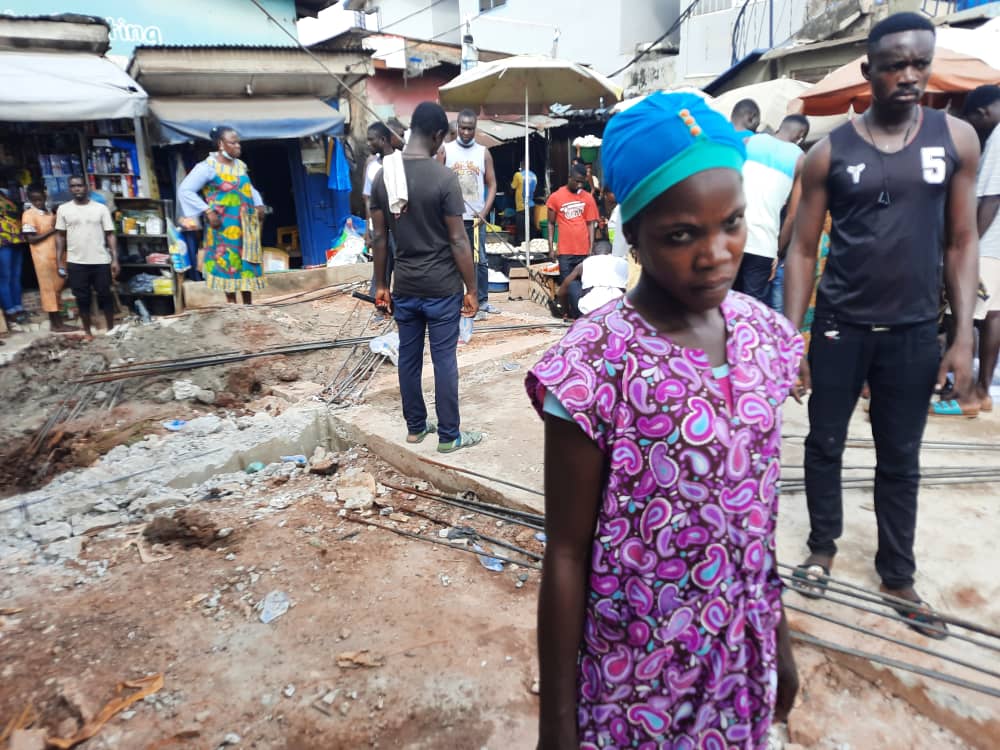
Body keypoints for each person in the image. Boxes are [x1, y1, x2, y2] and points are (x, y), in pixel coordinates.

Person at [529, 92, 801, 749]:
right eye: (682, 235)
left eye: (732, 223)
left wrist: (781, 640)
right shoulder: (594, 365)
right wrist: (557, 725)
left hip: (738, 653)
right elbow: (566, 553)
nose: (715, 254)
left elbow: (754, 518)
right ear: (634, 236)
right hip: (635, 676)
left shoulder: (766, 337)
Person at [783, 12, 980, 636]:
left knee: (902, 456)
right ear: (869, 70)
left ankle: (898, 574)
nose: (909, 75)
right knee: (825, 444)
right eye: (895, 64)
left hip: (916, 331)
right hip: (841, 326)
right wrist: (793, 338)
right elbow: (803, 251)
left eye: (919, 63)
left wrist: (964, 335)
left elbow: (961, 241)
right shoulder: (827, 154)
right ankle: (822, 546)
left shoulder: (956, 141)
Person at [370, 101, 483, 454]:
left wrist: (381, 285)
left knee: (409, 358)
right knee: (444, 359)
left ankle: (416, 429)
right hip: (442, 287)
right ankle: (449, 436)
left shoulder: (382, 177)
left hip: (405, 285)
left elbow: (378, 238)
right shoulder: (444, 179)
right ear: (437, 136)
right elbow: (458, 239)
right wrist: (473, 289)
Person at [178, 126, 266, 305]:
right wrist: (207, 211)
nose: (238, 146)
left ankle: (248, 305)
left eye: (238, 142)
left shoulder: (241, 166)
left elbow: (248, 188)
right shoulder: (207, 167)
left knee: (247, 261)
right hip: (223, 225)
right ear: (221, 144)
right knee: (228, 261)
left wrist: (259, 204)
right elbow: (185, 190)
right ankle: (232, 306)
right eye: (233, 143)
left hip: (246, 225)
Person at [956, 84, 1000, 414]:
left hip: (987, 244)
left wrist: (967, 244)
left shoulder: (999, 135)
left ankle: (965, 393)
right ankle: (983, 390)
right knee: (993, 317)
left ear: (982, 113)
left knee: (965, 315)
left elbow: (991, 197)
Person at [735, 114, 810, 304]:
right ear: (800, 136)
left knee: (722, 306)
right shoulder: (801, 160)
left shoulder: (749, 141)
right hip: (763, 246)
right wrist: (777, 252)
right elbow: (792, 216)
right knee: (753, 312)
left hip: (732, 237)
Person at [444, 109, 498, 319]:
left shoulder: (483, 152)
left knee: (480, 259)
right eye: (463, 128)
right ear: (457, 127)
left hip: (476, 218)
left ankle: (482, 300)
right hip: (453, 218)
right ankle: (455, 300)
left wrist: (485, 210)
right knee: (452, 258)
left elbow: (492, 184)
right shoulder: (446, 150)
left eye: (471, 128)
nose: (466, 132)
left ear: (476, 128)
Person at [55, 175, 118, 337]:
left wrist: (115, 259)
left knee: (105, 295)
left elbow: (110, 235)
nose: (77, 189)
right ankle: (88, 332)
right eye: (73, 186)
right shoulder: (63, 209)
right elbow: (60, 236)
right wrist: (59, 261)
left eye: (80, 186)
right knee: (82, 299)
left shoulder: (100, 208)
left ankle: (111, 329)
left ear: (86, 187)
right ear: (70, 189)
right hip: (76, 262)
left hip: (100, 260)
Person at [547, 163, 599, 317]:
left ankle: (580, 313)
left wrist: (591, 247)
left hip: (583, 250)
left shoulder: (587, 198)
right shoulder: (556, 197)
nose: (579, 184)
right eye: (577, 181)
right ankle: (569, 312)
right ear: (569, 178)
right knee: (568, 283)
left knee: (584, 284)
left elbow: (591, 224)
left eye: (582, 181)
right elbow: (550, 223)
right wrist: (551, 246)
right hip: (565, 251)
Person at [22, 185, 74, 332]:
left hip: (56, 257)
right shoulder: (29, 215)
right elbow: (31, 239)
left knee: (56, 290)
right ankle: (56, 324)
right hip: (42, 258)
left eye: (40, 199)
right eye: (34, 200)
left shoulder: (49, 213)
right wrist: (53, 229)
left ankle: (58, 322)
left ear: (45, 197)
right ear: (30, 200)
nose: (38, 202)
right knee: (49, 291)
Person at [363, 122, 397, 297]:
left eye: (371, 140)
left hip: (400, 228)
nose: (368, 144)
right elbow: (368, 200)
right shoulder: (372, 167)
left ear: (383, 139)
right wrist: (367, 231)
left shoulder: (401, 162)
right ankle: (381, 308)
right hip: (378, 228)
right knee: (380, 270)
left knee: (402, 271)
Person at [554, 238, 627, 318]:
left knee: (573, 284)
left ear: (593, 253)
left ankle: (576, 318)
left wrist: (565, 311)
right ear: (612, 253)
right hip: (617, 311)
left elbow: (562, 290)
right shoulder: (624, 263)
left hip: (588, 312)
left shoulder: (585, 263)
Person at [0, 188, 26, 326]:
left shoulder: (6, 194)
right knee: (5, 277)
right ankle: (10, 311)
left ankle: (18, 307)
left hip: (16, 239)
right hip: (2, 241)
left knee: (16, 276)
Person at [510, 159, 537, 246]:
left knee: (521, 232)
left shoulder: (518, 175)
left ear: (522, 166)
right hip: (531, 205)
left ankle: (522, 249)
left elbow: (512, 187)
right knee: (531, 229)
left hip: (521, 206)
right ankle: (532, 247)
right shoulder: (534, 176)